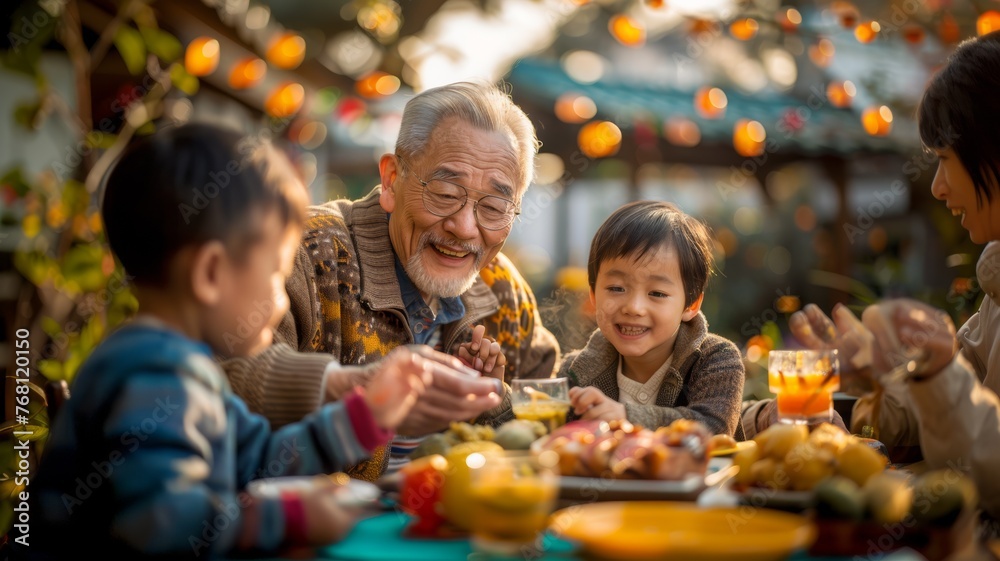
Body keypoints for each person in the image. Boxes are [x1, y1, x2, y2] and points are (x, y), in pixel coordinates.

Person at [27, 123, 451, 559]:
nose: (282, 299)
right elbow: (160, 523)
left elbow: (264, 460)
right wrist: (289, 517)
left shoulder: (187, 366)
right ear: (210, 273)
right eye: (275, 275)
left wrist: (365, 417)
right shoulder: (152, 373)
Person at [219, 80, 560, 478]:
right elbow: (219, 378)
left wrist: (495, 403)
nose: (465, 228)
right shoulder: (301, 254)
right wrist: (349, 386)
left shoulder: (501, 286)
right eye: (447, 192)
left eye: (495, 206)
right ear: (391, 179)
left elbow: (546, 427)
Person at [788, 31, 1000, 522]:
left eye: (945, 160)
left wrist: (935, 371)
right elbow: (948, 414)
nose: (938, 187)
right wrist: (879, 368)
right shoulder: (996, 288)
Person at [556, 201, 745, 438]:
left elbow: (714, 428)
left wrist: (626, 417)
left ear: (691, 304)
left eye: (657, 293)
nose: (634, 308)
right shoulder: (575, 371)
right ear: (593, 295)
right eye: (616, 288)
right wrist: (498, 395)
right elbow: (541, 434)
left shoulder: (715, 359)